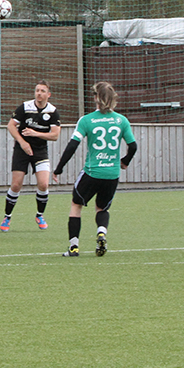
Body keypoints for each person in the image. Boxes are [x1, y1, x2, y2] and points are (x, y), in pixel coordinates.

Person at [52, 81, 137, 258]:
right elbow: (133, 146)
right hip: (112, 174)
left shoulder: (87, 120)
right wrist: (125, 161)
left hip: (92, 172)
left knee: (76, 205)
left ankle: (74, 247)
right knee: (102, 208)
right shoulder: (121, 120)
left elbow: (72, 146)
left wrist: (59, 169)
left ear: (97, 98)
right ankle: (101, 233)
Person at [0, 81, 61, 232]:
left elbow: (55, 136)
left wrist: (35, 134)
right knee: (16, 185)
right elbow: (10, 125)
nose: (39, 93)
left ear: (48, 94)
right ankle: (7, 216)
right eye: (37, 90)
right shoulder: (25, 107)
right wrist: (22, 142)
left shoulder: (53, 112)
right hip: (22, 150)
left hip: (40, 151)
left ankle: (39, 215)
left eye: (42, 91)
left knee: (43, 184)